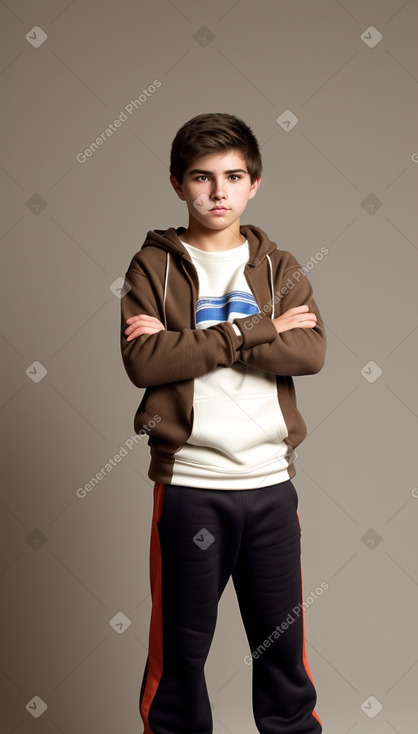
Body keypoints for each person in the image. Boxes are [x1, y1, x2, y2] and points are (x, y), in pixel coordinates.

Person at [120, 112, 326, 734]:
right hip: (190, 487)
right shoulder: (152, 267)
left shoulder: (279, 267)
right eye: (202, 178)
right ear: (178, 184)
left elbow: (310, 353)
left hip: (268, 487)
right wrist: (257, 330)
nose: (218, 192)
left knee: (284, 658)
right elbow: (142, 361)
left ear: (254, 183)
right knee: (179, 657)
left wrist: (190, 341)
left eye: (233, 176)